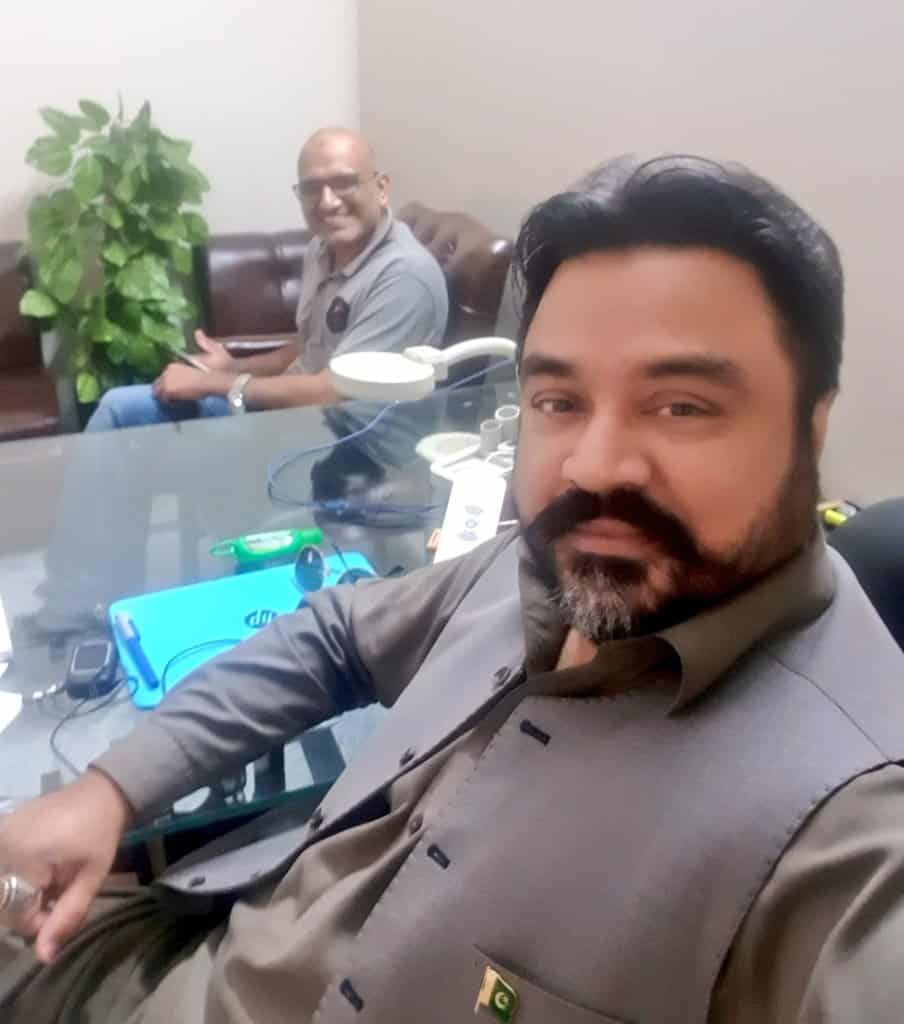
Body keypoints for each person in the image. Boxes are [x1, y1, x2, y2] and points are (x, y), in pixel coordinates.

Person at [3, 154, 904, 1023]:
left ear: (813, 426)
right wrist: (111, 788)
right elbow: (332, 633)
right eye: (559, 401)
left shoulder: (849, 838)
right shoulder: (538, 565)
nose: (593, 467)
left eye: (681, 406)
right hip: (193, 951)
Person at [85, 127, 448, 431]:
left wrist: (211, 383)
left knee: (120, 409)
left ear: (381, 188)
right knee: (133, 409)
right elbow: (311, 345)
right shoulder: (322, 249)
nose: (327, 202)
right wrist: (234, 366)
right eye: (312, 188)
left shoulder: (404, 276)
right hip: (294, 410)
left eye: (343, 183)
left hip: (340, 434)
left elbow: (335, 391)